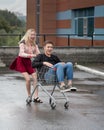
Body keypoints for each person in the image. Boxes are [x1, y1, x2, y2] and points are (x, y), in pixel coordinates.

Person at [9, 28, 43, 103]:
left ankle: (36, 97)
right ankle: (29, 96)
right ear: (28, 35)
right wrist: (32, 55)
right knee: (28, 79)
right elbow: (21, 53)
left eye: (34, 35)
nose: (33, 36)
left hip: (28, 61)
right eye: (31, 34)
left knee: (35, 77)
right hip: (21, 61)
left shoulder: (35, 44)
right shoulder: (23, 42)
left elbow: (38, 53)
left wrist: (43, 58)